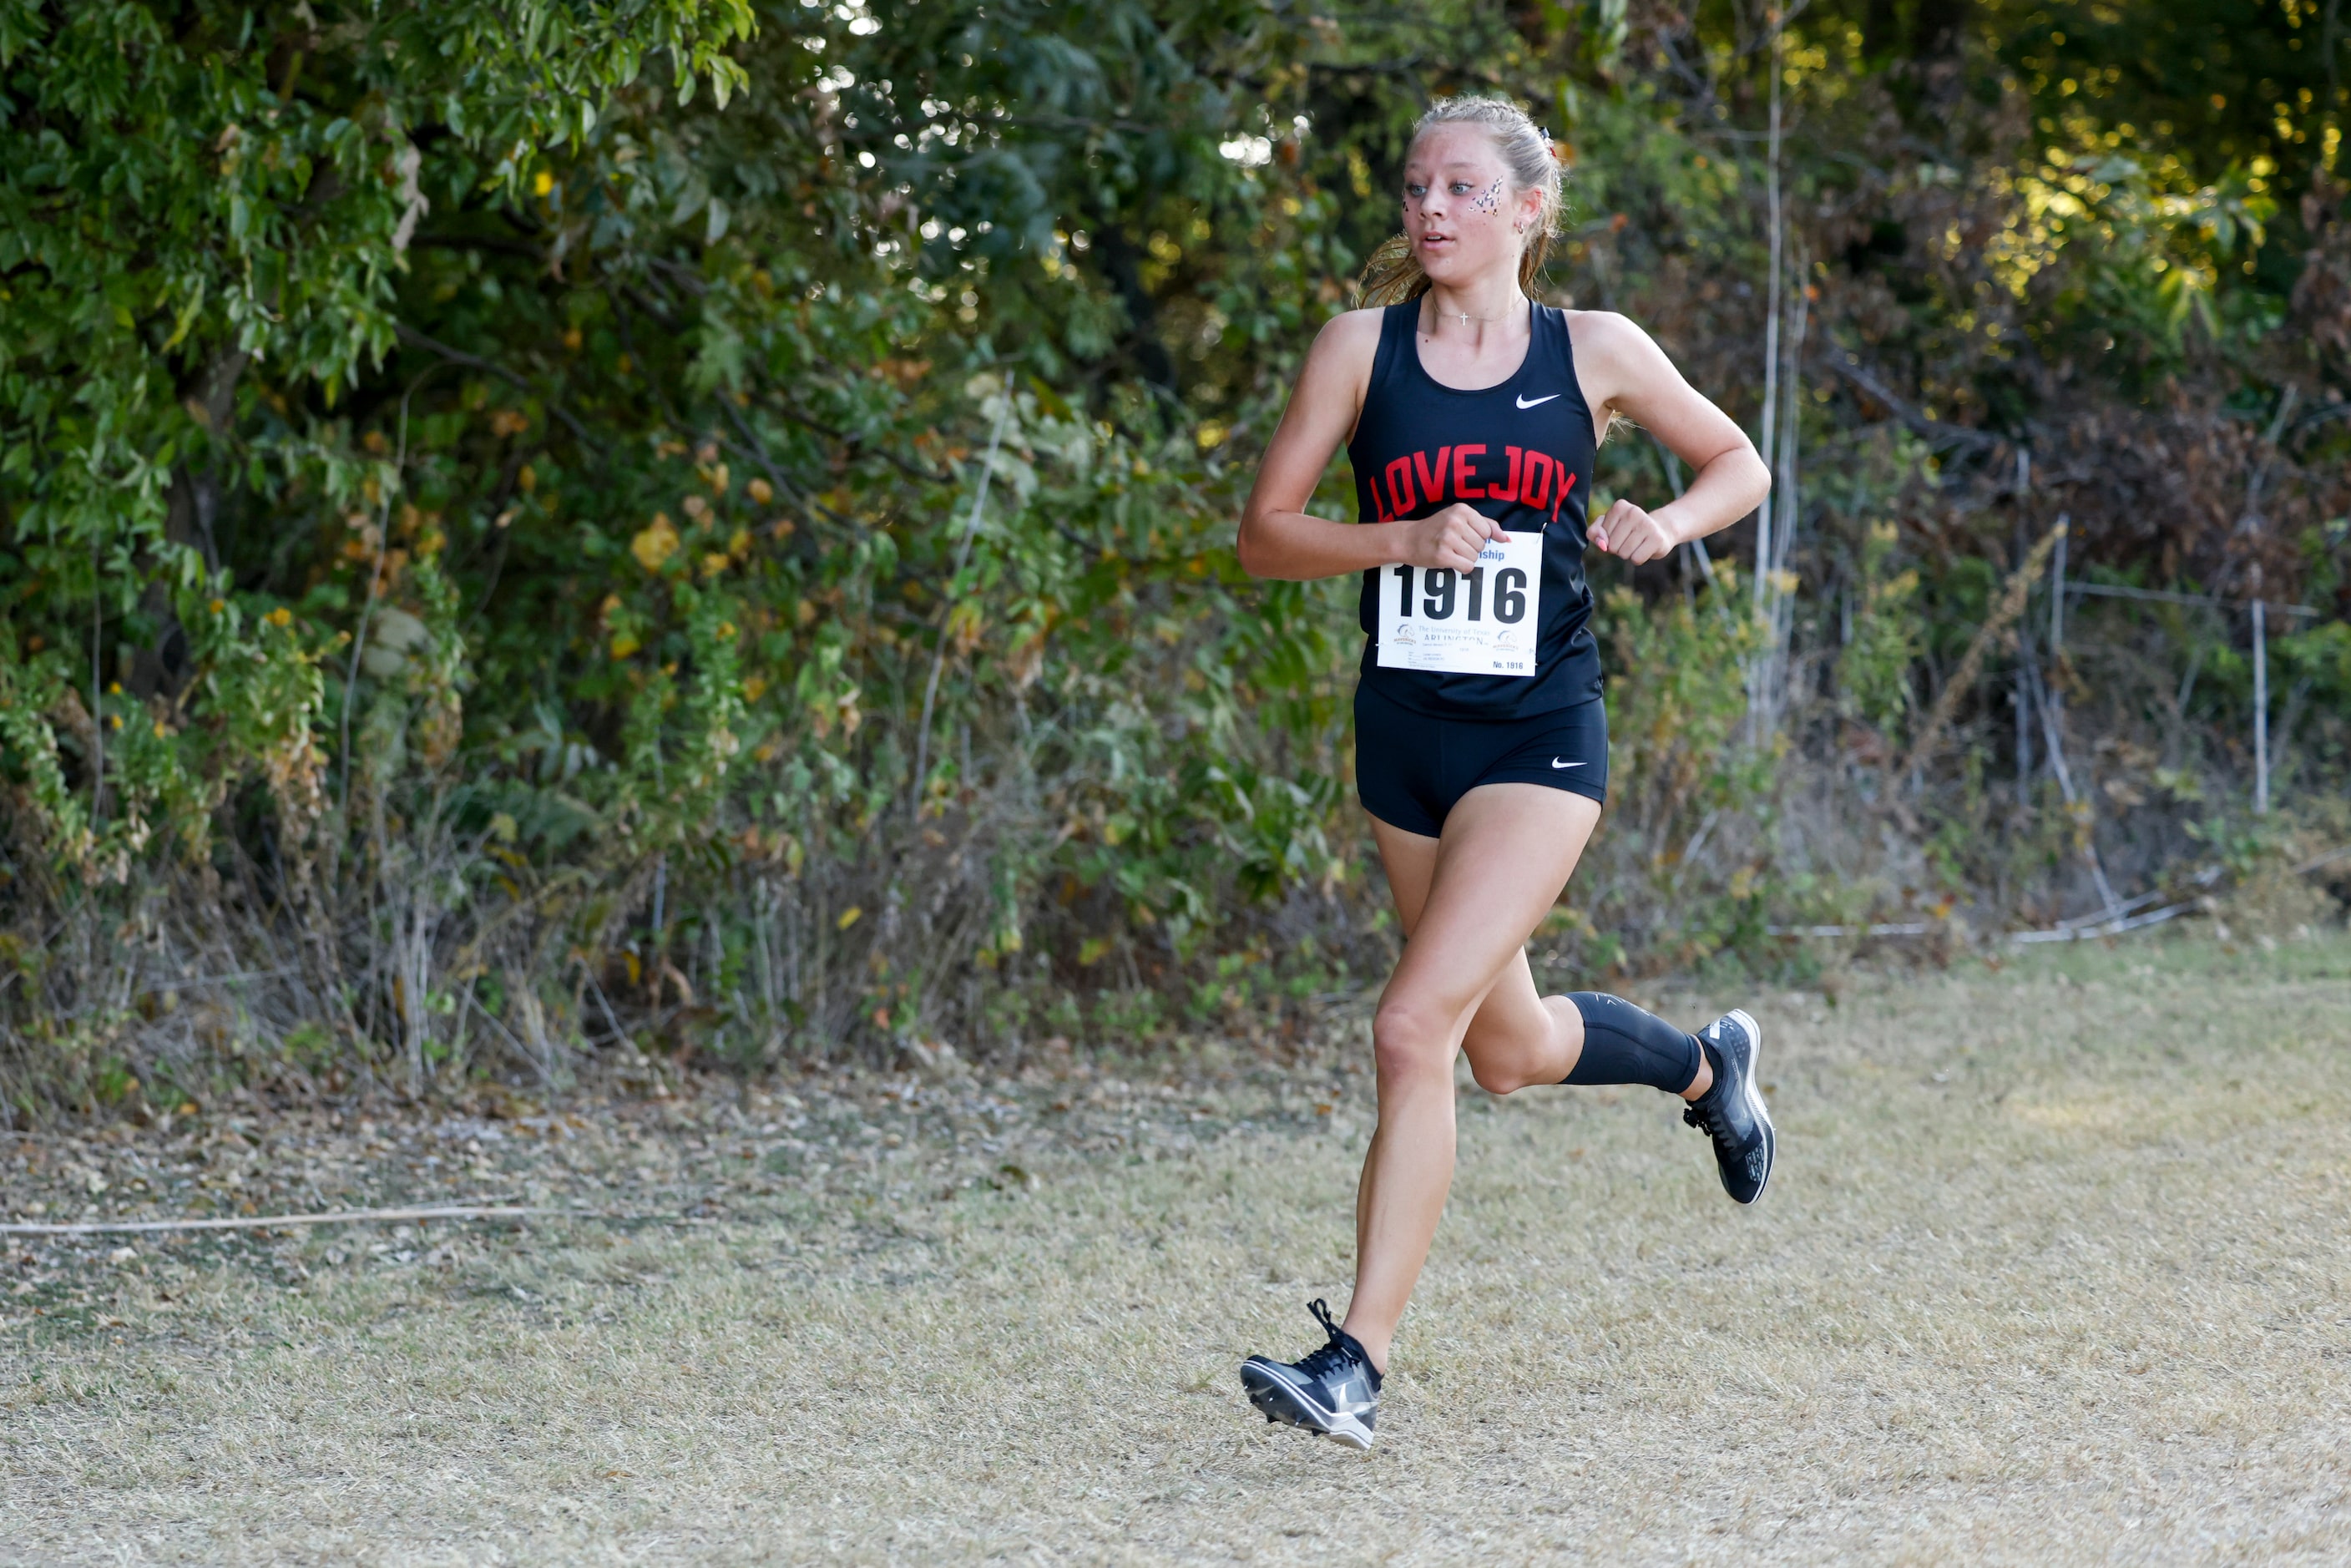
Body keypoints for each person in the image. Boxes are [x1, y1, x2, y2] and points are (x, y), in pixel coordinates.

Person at [1231, 96, 1777, 1451]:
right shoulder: (1358, 350)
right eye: (1417, 187)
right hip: (1405, 739)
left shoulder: (1593, 349)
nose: (1431, 209)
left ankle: (1355, 1362)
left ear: (1529, 209)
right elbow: (1266, 535)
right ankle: (1707, 1071)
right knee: (1507, 1051)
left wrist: (1670, 519)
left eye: (1465, 189)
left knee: (1410, 1026)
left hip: (1542, 735)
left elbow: (1739, 462)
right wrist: (1399, 538)